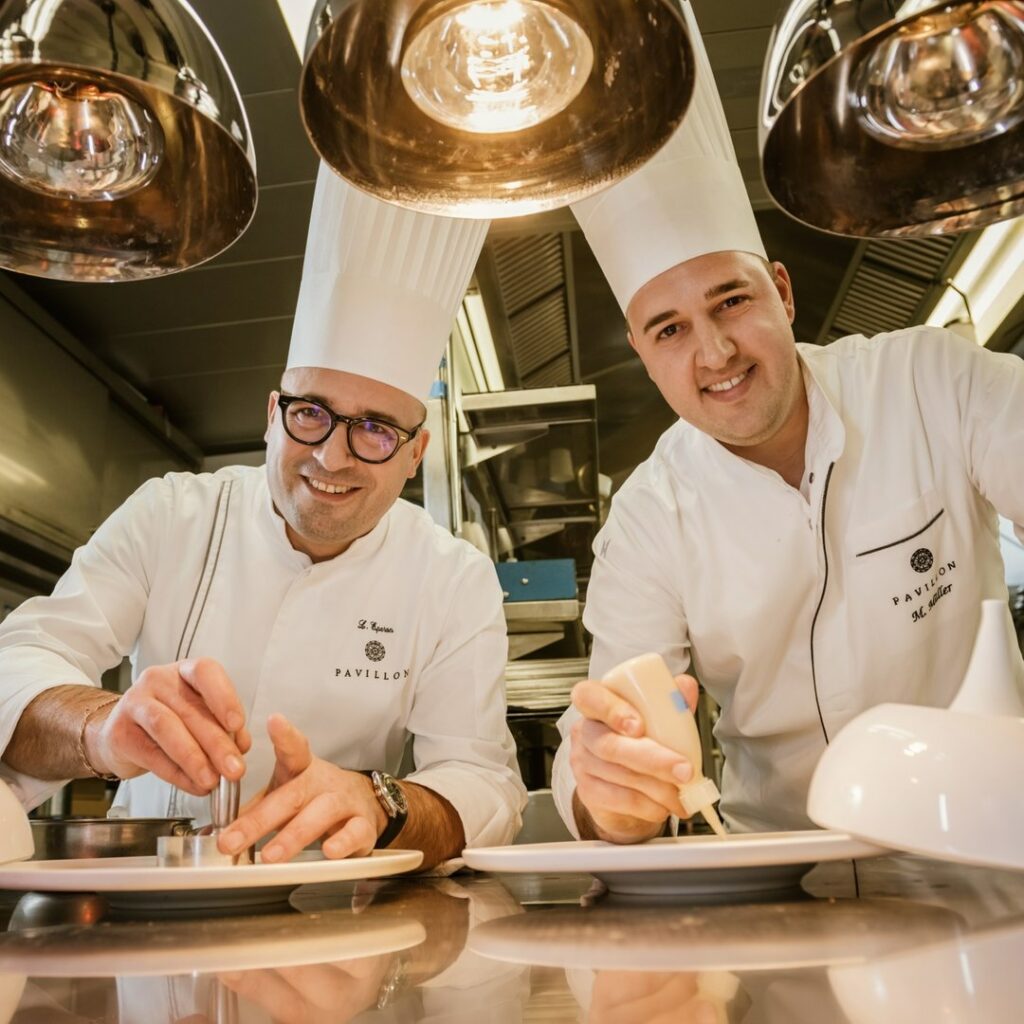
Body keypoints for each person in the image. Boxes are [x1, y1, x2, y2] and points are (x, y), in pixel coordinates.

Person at [552, 4, 1024, 844]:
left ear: (783, 289)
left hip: (982, 845)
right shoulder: (651, 517)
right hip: (780, 877)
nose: (716, 351)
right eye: (670, 330)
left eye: (731, 301)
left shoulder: (930, 381)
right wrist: (607, 790)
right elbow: (606, 737)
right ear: (641, 352)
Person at [0, 162, 526, 869]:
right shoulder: (170, 515)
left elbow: (483, 780)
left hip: (337, 916)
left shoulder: (452, 577)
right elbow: (18, 663)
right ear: (272, 417)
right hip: (145, 904)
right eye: (311, 413)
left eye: (375, 430)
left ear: (415, 453)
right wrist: (103, 727)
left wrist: (380, 801)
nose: (333, 458)